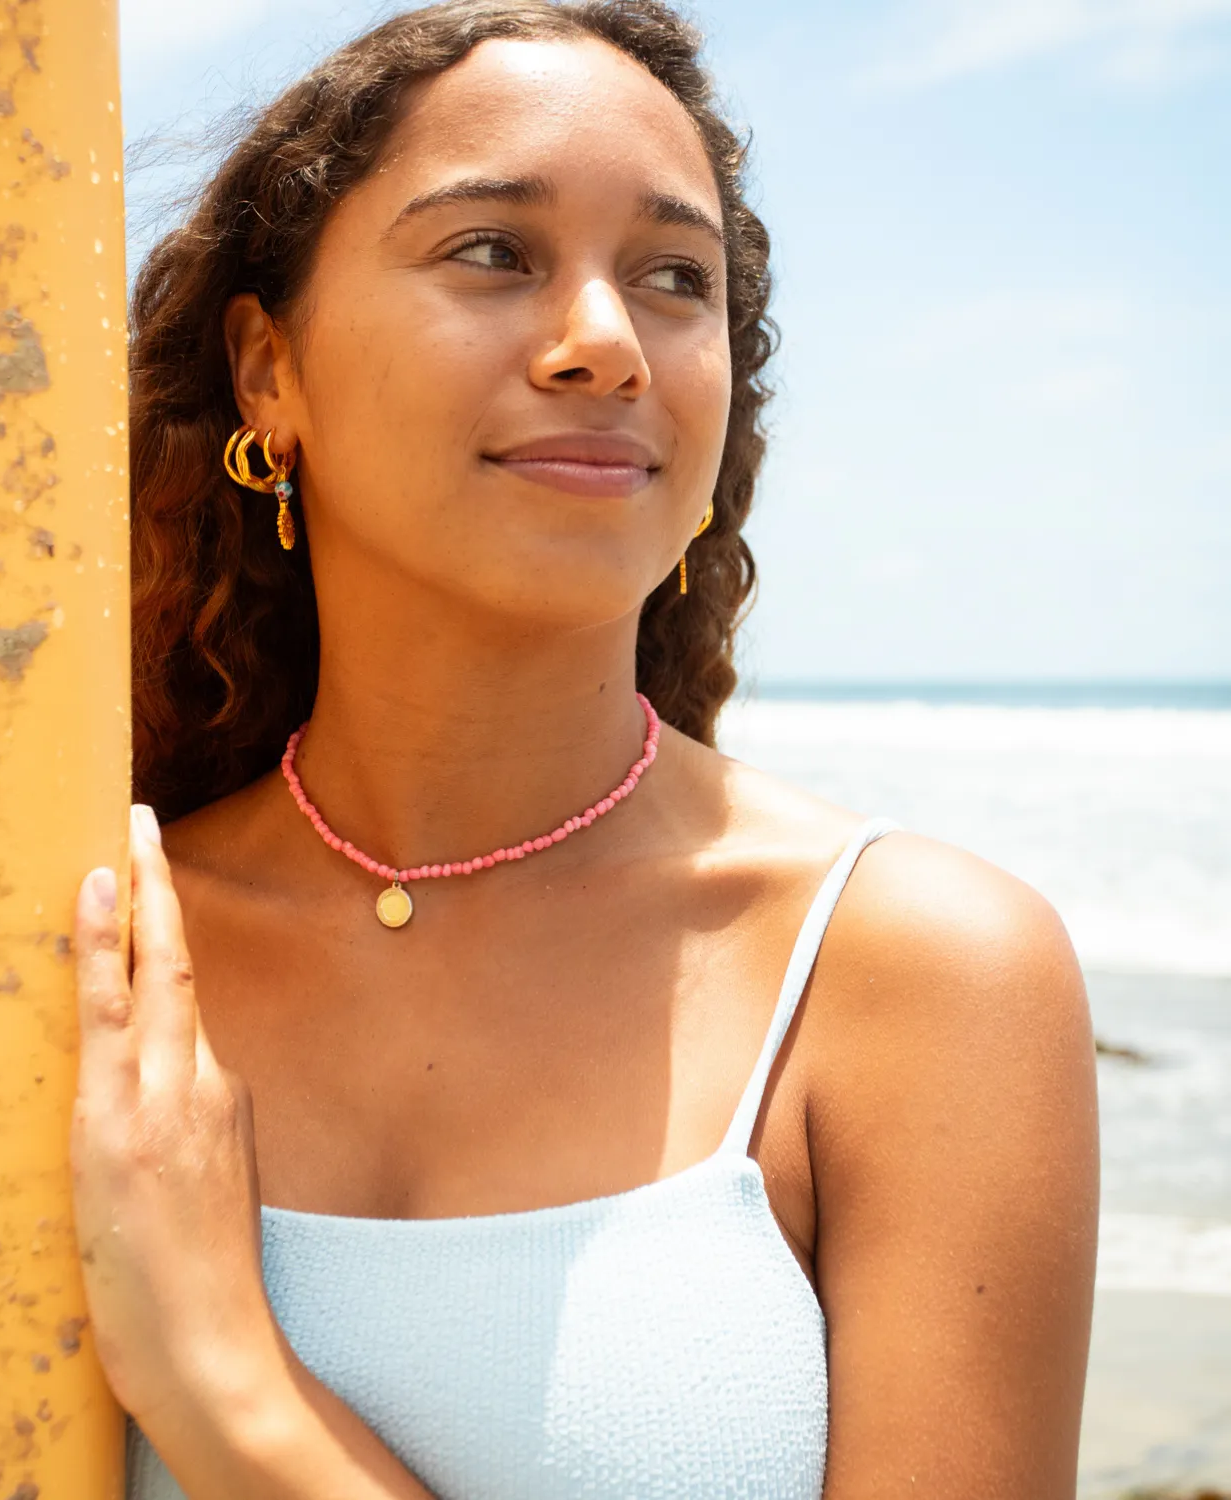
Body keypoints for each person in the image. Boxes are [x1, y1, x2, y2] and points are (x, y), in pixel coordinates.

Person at [69, 1, 1100, 1495]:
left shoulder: (912, 976)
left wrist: (234, 1387)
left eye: (676, 280)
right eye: (493, 250)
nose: (606, 343)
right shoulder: (100, 946)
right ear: (265, 371)